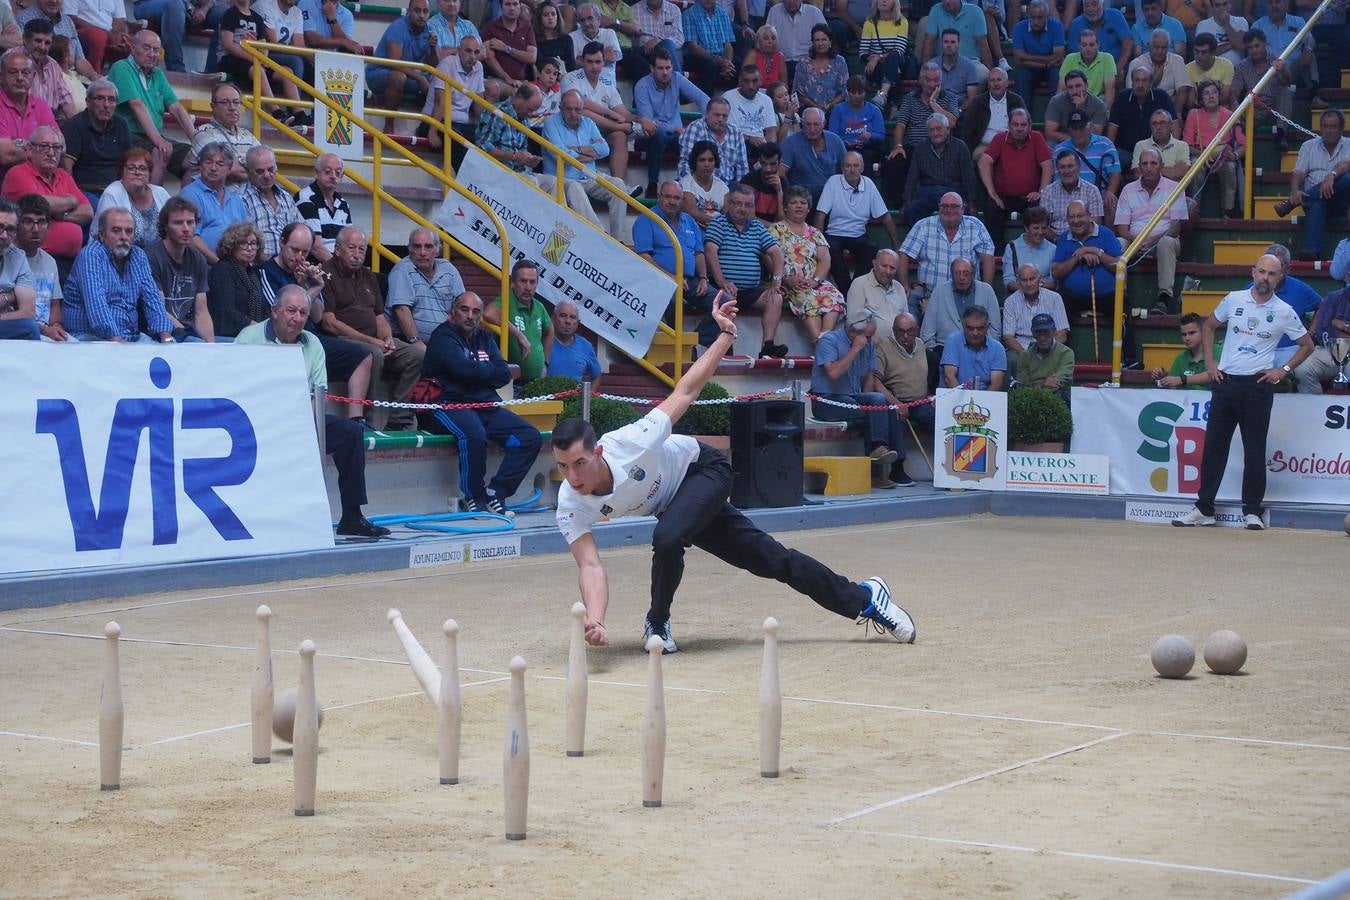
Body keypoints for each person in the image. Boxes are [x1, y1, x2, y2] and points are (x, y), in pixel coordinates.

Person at [554, 294, 917, 654]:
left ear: (597, 452)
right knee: (773, 560)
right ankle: (865, 597)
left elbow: (687, 389)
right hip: (677, 505)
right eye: (563, 467)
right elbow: (590, 565)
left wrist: (726, 335)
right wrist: (597, 618)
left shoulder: (633, 441)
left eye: (579, 463)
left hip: (704, 471)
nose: (572, 477)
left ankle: (658, 622)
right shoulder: (570, 502)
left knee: (668, 537)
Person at [236, 284, 391, 538]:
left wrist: (300, 429)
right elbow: (236, 392)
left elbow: (318, 396)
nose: (297, 319)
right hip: (256, 424)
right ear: (274, 311)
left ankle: (352, 516)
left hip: (300, 421)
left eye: (303, 313)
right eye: (291, 311)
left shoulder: (313, 343)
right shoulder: (248, 338)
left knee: (351, 432)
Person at [1173, 254, 1313, 530]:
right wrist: (1211, 363)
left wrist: (1282, 370)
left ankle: (1252, 511)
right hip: (1225, 382)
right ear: (1253, 272)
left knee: (1254, 450)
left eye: (1272, 274)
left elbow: (1307, 344)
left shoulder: (1284, 310)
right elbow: (1210, 325)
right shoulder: (1234, 299)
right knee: (1214, 447)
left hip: (1257, 385)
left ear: (1279, 277)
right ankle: (1204, 508)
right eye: (1261, 272)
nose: (1265, 278)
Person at [423, 290, 543, 515]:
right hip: (448, 404)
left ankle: (496, 492)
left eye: (476, 311)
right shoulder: (443, 337)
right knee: (474, 435)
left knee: (530, 437)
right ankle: (473, 496)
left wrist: (476, 372)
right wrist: (483, 372)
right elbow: (463, 369)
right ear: (453, 311)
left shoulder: (485, 338)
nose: (470, 316)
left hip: (484, 404)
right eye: (464, 309)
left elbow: (503, 373)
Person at [321, 226, 425, 431]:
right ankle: (369, 419)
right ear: (337, 249)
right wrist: (373, 342)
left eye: (361, 249)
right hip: (342, 340)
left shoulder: (368, 276)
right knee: (374, 353)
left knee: (417, 355)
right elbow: (329, 322)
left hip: (373, 339)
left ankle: (400, 416)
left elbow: (379, 317)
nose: (357, 254)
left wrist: (388, 338)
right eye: (352, 248)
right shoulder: (325, 272)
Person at [810, 307, 914, 488]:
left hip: (853, 397)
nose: (870, 340)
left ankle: (890, 459)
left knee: (886, 409)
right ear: (852, 332)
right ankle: (875, 468)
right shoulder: (829, 340)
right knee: (873, 415)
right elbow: (833, 373)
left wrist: (874, 401)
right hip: (827, 400)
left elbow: (869, 378)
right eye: (867, 336)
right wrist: (855, 349)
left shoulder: (869, 344)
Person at [62, 206, 172, 342]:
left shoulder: (138, 256)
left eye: (129, 231)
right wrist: (119, 344)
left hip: (130, 336)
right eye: (116, 231)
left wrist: (166, 337)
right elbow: (97, 304)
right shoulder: (91, 255)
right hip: (90, 337)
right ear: (101, 235)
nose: (123, 237)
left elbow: (152, 299)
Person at [704, 182, 787, 356]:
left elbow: (777, 254)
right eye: (738, 204)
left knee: (776, 298)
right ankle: (725, 346)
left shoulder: (756, 227)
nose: (743, 209)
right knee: (726, 296)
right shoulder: (718, 223)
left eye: (748, 205)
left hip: (751, 290)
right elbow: (711, 252)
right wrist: (723, 282)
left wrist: (776, 282)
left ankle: (767, 346)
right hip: (724, 287)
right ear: (730, 204)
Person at [541, 89, 634, 240]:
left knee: (618, 184)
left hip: (589, 176)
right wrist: (589, 153)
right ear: (561, 108)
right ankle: (599, 236)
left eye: (577, 109)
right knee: (574, 187)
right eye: (569, 109)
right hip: (562, 179)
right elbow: (562, 155)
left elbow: (604, 149)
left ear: (583, 109)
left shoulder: (588, 123)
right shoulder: (551, 124)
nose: (573, 113)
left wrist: (575, 150)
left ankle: (619, 239)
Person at [108, 30, 195, 182]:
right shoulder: (121, 67)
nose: (152, 54)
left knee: (196, 158)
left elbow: (176, 108)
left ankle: (184, 204)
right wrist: (159, 141)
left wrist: (198, 141)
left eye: (155, 50)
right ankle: (153, 204)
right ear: (133, 48)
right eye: (146, 48)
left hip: (151, 137)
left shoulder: (158, 74)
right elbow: (137, 105)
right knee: (158, 153)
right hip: (127, 135)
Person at [1114, 145, 1187, 315]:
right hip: (1134, 241)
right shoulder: (1128, 189)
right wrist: (1137, 242)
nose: (1148, 168)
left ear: (1161, 166)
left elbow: (1176, 227)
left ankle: (1164, 298)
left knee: (1167, 242)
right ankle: (1120, 296)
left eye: (1153, 163)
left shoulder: (1174, 187)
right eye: (1144, 164)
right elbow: (1122, 228)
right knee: (1118, 243)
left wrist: (1151, 241)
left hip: (1164, 239)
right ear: (1139, 167)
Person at [897, 191, 995, 314]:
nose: (949, 210)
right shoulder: (923, 226)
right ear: (939, 207)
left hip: (966, 293)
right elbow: (904, 254)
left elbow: (988, 259)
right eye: (944, 206)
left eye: (954, 206)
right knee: (908, 300)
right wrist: (904, 286)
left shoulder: (975, 226)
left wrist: (985, 291)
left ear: (963, 208)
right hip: (928, 294)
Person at [771, 184, 845, 343]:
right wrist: (786, 279)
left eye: (803, 203)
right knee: (808, 298)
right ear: (785, 207)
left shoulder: (815, 232)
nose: (799, 205)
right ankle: (821, 344)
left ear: (808, 208)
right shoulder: (776, 229)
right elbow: (769, 258)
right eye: (793, 202)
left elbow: (825, 259)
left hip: (814, 281)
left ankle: (823, 340)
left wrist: (815, 280)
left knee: (835, 297)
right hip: (790, 283)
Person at [815, 150, 897, 292]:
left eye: (855, 165)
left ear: (862, 168)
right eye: (848, 166)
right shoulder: (833, 182)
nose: (852, 170)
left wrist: (896, 245)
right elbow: (820, 215)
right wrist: (818, 243)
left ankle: (855, 289)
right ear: (842, 168)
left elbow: (885, 216)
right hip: (835, 233)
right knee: (831, 249)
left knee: (871, 248)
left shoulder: (869, 184)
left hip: (859, 234)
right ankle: (848, 291)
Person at [633, 178, 712, 323]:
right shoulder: (646, 218)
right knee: (675, 300)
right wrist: (671, 277)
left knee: (724, 303)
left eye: (676, 198)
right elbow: (643, 256)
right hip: (659, 280)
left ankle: (695, 344)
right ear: (659, 196)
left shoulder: (689, 221)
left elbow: (699, 253)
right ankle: (676, 344)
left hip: (690, 280)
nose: (672, 201)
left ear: (682, 200)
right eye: (668, 196)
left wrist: (703, 278)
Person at [634, 48, 710, 196]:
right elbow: (649, 124)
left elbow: (703, 99)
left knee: (695, 138)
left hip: (676, 138)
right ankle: (652, 184)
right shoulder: (642, 86)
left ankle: (687, 184)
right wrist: (675, 128)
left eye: (668, 68)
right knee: (659, 134)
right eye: (661, 68)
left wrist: (706, 122)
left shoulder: (676, 78)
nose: (665, 72)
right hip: (648, 137)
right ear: (652, 68)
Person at [884, 61, 959, 206]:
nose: (932, 84)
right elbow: (900, 125)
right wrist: (898, 145)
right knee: (893, 162)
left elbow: (952, 122)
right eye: (928, 80)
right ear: (920, 80)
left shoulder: (950, 98)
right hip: (914, 147)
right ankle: (899, 206)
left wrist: (933, 103)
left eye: (936, 80)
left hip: (941, 149)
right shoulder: (910, 98)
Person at [977, 107, 1052, 247]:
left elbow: (1047, 165)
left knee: (1039, 210)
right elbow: (983, 162)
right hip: (1003, 197)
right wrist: (992, 192)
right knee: (991, 208)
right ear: (1009, 125)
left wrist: (1041, 191)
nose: (1019, 128)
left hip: (1029, 198)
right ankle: (997, 255)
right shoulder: (1000, 138)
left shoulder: (1036, 138)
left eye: (1023, 125)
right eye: (1015, 124)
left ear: (1029, 126)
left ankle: (1034, 251)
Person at [1285, 110, 1350, 261]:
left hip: (1340, 202)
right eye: (1325, 126)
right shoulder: (1308, 146)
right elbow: (1298, 173)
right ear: (1320, 128)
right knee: (1317, 204)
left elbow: (1346, 164)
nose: (1328, 131)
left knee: (1346, 178)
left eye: (1333, 127)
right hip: (1316, 203)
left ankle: (1292, 204)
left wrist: (1331, 175)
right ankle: (1312, 252)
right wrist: (1295, 191)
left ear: (1341, 129)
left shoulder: (1349, 144)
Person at [147, 196, 213, 342]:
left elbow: (201, 312)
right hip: (159, 333)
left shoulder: (198, 259)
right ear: (165, 226)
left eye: (190, 222)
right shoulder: (152, 257)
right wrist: (189, 337)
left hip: (187, 332)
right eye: (178, 223)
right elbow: (159, 309)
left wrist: (210, 346)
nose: (186, 229)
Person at [871, 312, 933, 461]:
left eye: (910, 331)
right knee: (896, 419)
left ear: (916, 329)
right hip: (895, 402)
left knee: (941, 418)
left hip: (919, 403)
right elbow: (875, 381)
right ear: (893, 330)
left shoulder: (920, 343)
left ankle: (946, 465)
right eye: (900, 331)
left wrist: (929, 395)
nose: (905, 336)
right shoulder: (883, 346)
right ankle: (897, 468)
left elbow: (920, 375)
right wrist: (896, 403)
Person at [366, 0, 437, 132]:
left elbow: (433, 65)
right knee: (399, 77)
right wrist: (421, 79)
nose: (422, 15)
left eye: (425, 11)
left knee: (439, 83)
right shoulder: (397, 27)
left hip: (408, 76)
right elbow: (395, 64)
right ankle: (388, 126)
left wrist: (433, 48)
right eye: (417, 10)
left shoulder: (429, 30)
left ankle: (429, 129)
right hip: (378, 74)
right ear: (409, 11)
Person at [387, 226, 465, 343]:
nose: (422, 253)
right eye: (417, 247)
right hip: (408, 341)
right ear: (409, 249)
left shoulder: (449, 269)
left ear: (438, 249)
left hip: (445, 340)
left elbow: (462, 305)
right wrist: (416, 341)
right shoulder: (402, 270)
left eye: (428, 247)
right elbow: (401, 310)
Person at [485, 258, 553, 389]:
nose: (528, 287)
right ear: (513, 283)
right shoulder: (507, 300)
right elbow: (488, 313)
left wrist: (545, 362)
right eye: (523, 281)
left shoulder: (539, 307)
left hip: (536, 384)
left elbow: (550, 330)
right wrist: (519, 335)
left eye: (532, 282)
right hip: (511, 384)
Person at [61, 79, 131, 203]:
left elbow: (130, 161)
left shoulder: (121, 125)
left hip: (117, 189)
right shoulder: (75, 126)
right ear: (88, 102)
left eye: (111, 100)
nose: (106, 105)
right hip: (86, 190)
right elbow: (66, 166)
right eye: (100, 98)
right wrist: (74, 196)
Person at [179, 142, 247, 265]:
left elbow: (245, 237)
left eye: (220, 164)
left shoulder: (236, 200)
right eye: (208, 162)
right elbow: (191, 238)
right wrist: (220, 265)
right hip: (202, 267)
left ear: (229, 169)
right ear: (200, 166)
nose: (213, 168)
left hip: (234, 267)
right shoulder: (190, 194)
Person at [919, 256, 1001, 356]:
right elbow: (927, 330)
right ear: (951, 275)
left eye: (966, 273)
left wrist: (988, 352)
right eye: (957, 273)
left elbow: (995, 329)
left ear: (973, 274)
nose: (962, 278)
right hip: (945, 350)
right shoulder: (939, 290)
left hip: (980, 351)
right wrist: (932, 352)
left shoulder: (986, 290)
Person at [1184, 79, 1242, 216]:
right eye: (1206, 93)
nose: (1211, 96)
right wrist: (1202, 154)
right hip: (1200, 153)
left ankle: (1227, 211)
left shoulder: (1229, 115)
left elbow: (1242, 143)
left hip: (1223, 154)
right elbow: (1186, 144)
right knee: (1194, 166)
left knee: (1230, 167)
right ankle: (1193, 209)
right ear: (1200, 99)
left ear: (1219, 96)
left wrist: (1234, 155)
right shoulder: (1193, 114)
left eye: (1214, 93)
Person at [1230, 29, 1293, 154]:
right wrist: (1237, 104)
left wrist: (1282, 70)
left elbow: (1287, 81)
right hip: (1253, 110)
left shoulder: (1276, 60)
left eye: (1257, 46)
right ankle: (1240, 152)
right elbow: (1234, 93)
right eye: (1250, 47)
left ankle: (1280, 135)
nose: (1254, 50)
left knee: (1285, 92)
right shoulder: (1242, 66)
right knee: (1233, 111)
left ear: (1264, 44)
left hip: (1273, 110)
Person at [184, 83, 259, 185]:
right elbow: (230, 169)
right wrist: (250, 169)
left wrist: (240, 164)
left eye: (236, 102)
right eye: (225, 102)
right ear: (213, 106)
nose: (232, 107)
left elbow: (262, 167)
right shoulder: (203, 133)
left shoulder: (248, 135)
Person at [207, 221, 268, 339]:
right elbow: (226, 311)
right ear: (232, 245)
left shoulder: (253, 273)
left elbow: (263, 308)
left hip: (252, 334)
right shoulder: (222, 269)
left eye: (253, 243)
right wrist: (256, 328)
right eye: (243, 243)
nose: (249, 248)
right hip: (228, 337)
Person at [16, 192, 64, 340]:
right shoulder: (9, 259)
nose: (36, 229)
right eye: (28, 221)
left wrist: (56, 326)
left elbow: (54, 305)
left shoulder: (49, 261)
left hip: (47, 334)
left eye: (41, 222)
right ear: (17, 225)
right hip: (20, 333)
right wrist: (44, 330)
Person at [240, 145, 302, 260]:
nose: (267, 175)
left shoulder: (286, 197)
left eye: (270, 169)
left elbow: (300, 232)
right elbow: (245, 244)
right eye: (260, 171)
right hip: (260, 266)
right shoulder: (242, 199)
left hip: (291, 264)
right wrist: (275, 266)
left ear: (276, 168)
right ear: (249, 172)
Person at [0, 47, 57, 171]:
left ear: (33, 76)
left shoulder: (41, 105)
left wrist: (18, 143)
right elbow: (5, 155)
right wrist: (43, 149)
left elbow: (59, 146)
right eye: (13, 72)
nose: (20, 78)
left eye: (25, 72)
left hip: (39, 177)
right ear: (1, 76)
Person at [955, 65, 1025, 161]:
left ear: (1007, 83)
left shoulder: (1016, 101)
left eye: (999, 80)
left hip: (1011, 145)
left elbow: (1024, 125)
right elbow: (968, 130)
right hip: (984, 146)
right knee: (985, 157)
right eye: (992, 80)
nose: (995, 84)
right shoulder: (978, 102)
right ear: (988, 84)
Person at [676, 95, 747, 186]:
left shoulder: (736, 133)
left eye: (724, 116)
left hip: (728, 187)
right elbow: (686, 164)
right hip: (699, 184)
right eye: (717, 115)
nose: (721, 119)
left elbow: (742, 168)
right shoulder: (695, 128)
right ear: (706, 113)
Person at [778, 106, 845, 204]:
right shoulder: (791, 143)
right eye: (808, 124)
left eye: (816, 124)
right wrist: (789, 193)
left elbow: (846, 167)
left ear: (824, 124)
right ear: (802, 123)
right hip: (803, 197)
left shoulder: (835, 140)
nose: (812, 129)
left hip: (830, 194)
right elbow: (781, 173)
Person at [1002, 262, 1068, 357]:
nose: (1029, 284)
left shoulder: (1055, 298)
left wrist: (1047, 352)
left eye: (1032, 279)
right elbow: (1008, 337)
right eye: (1024, 280)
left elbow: (1062, 334)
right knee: (1011, 358)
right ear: (1018, 281)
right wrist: (1027, 356)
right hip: (1021, 350)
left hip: (1049, 348)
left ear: (1040, 279)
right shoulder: (1010, 302)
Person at [295, 152, 351, 262]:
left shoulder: (343, 204)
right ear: (316, 173)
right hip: (314, 267)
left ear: (342, 177)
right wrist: (340, 272)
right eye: (328, 172)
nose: (333, 176)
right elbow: (316, 248)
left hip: (337, 266)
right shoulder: (306, 199)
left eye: (338, 172)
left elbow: (349, 242)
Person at [1293, 284, 1350, 394]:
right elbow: (1323, 329)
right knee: (1302, 367)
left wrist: (1342, 325)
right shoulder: (1334, 298)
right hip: (1330, 349)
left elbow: (1333, 324)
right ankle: (1313, 406)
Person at [1128, 28, 1193, 117]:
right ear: (1148, 45)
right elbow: (1133, 94)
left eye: (1164, 48)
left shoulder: (1177, 60)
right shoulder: (1136, 64)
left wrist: (1177, 114)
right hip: (1143, 108)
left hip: (1170, 108)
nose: (1160, 51)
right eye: (1156, 47)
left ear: (1169, 47)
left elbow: (1182, 89)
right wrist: (1153, 81)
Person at [940, 304, 1006, 390]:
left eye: (980, 328)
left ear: (988, 326)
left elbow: (996, 385)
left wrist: (977, 403)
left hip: (985, 398)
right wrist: (965, 402)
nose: (975, 333)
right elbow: (949, 377)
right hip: (954, 394)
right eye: (970, 328)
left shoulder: (998, 348)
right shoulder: (953, 341)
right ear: (963, 325)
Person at [1039, 148, 1103, 237]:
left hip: (1085, 240)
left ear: (1079, 167)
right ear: (1057, 169)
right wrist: (1061, 242)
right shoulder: (1048, 192)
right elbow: (1044, 226)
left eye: (1070, 166)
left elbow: (1095, 225)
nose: (1066, 171)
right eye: (1062, 167)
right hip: (1056, 242)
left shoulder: (1092, 191)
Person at [1149, 311, 1221, 389]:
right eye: (1184, 334)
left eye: (1192, 333)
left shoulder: (1218, 351)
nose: (1187, 338)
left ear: (1203, 331)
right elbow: (1173, 386)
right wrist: (1162, 379)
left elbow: (1217, 374)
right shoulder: (1180, 358)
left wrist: (1183, 379)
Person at [859, 0, 909, 112]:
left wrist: (877, 57)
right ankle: (893, 107)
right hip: (875, 68)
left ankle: (883, 94)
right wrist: (873, 60)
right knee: (895, 71)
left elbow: (899, 50)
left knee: (894, 57)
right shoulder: (870, 23)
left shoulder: (902, 22)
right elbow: (863, 53)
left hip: (895, 62)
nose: (883, 1)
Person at [826, 76, 885, 172]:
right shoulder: (838, 110)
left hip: (867, 149)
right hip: (843, 149)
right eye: (853, 93)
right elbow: (833, 136)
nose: (857, 96)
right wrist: (846, 143)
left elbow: (881, 135)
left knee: (867, 157)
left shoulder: (874, 110)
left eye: (860, 93)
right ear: (848, 93)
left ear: (865, 93)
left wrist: (870, 135)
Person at [1011, 0, 1065, 101]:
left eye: (1040, 17)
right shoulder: (1019, 28)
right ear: (1027, 15)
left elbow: (1058, 57)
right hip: (1032, 68)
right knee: (1022, 75)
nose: (1036, 22)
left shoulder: (1057, 26)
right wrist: (1045, 63)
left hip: (1050, 68)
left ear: (1047, 16)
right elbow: (1019, 60)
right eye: (1032, 17)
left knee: (1057, 75)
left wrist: (1026, 57)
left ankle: (1056, 114)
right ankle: (1022, 114)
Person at [0, 197, 37, 339]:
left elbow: (28, 313)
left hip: (4, 324)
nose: (3, 235)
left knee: (29, 327)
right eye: (0, 226)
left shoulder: (18, 257)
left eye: (10, 230)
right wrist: (9, 296)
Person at [24, 19, 74, 121]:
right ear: (24, 39)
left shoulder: (53, 65)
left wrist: (77, 125)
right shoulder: (12, 59)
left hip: (51, 122)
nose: (42, 47)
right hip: (23, 120)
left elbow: (65, 98)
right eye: (38, 41)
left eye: (47, 43)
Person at [1014, 313, 1073, 397]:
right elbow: (1023, 386)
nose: (1042, 337)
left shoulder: (1066, 353)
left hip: (1060, 397)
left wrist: (1042, 386)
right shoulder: (1025, 356)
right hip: (1032, 398)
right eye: (1038, 333)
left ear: (1054, 332)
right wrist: (1043, 385)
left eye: (1046, 332)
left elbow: (1061, 378)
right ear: (1033, 333)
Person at [682, 0, 738, 87]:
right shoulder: (689, 14)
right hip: (699, 57)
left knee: (738, 64)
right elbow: (693, 47)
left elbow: (728, 44)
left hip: (721, 57)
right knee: (710, 66)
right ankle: (707, 99)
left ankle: (730, 98)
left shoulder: (722, 13)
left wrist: (728, 63)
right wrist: (719, 61)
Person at [546, 299, 603, 385]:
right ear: (553, 318)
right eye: (563, 315)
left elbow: (596, 375)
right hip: (546, 396)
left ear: (578, 323)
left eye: (572, 317)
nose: (567, 321)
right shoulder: (543, 340)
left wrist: (588, 396)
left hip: (574, 397)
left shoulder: (586, 346)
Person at [480, 0, 536, 86]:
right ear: (501, 7)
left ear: (520, 6)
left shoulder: (527, 27)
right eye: (507, 4)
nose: (512, 8)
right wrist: (508, 79)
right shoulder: (489, 28)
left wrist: (506, 48)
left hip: (523, 81)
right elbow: (489, 59)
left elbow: (531, 58)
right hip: (497, 80)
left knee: (535, 93)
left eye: (515, 4)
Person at [846, 247, 907, 325]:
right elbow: (853, 322)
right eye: (884, 266)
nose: (888, 271)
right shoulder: (859, 284)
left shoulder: (899, 287)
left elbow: (905, 319)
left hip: (899, 336)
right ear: (874, 264)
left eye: (892, 268)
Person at [1001, 205, 1056, 291]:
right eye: (1036, 228)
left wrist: (1034, 287)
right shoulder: (1012, 248)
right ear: (1026, 228)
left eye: (1044, 228)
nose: (1040, 232)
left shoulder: (1052, 249)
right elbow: (1008, 283)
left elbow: (1053, 283)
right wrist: (1030, 288)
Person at [1043, 69, 1107, 143]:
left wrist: (1081, 110)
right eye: (1070, 87)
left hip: (1089, 145)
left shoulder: (1099, 105)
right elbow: (1049, 134)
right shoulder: (1056, 101)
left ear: (1086, 86)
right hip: (1062, 142)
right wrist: (1074, 141)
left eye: (1078, 86)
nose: (1074, 91)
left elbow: (1095, 135)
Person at [1067, 0, 1133, 71]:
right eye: (1086, 6)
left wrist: (1118, 68)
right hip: (1087, 69)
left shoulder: (1116, 15)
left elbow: (1128, 42)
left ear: (1103, 5)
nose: (1090, 9)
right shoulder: (1075, 24)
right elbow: (1075, 55)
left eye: (1094, 4)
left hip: (1116, 64)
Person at [1059, 28, 1116, 106]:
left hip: (1098, 105)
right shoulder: (1070, 58)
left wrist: (1106, 112)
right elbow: (1061, 89)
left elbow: (1110, 89)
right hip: (1073, 103)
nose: (1088, 49)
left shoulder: (1107, 58)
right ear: (1079, 46)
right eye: (1084, 45)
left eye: (1092, 45)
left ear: (1098, 45)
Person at [764, 0, 822, 76]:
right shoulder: (775, 11)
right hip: (781, 61)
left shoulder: (814, 12)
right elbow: (765, 37)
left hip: (808, 61)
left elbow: (825, 37)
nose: (791, 1)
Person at [679, 139, 729, 228]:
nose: (707, 164)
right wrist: (719, 223)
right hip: (693, 229)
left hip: (718, 232)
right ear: (695, 161)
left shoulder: (722, 187)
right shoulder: (685, 184)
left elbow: (729, 216)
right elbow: (692, 214)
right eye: (702, 160)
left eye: (711, 160)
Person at [567, 4, 622, 82]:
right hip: (582, 84)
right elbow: (573, 63)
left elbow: (612, 57)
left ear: (599, 19)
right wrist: (603, 56)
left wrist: (583, 60)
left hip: (607, 83)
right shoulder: (572, 37)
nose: (586, 23)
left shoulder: (609, 33)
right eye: (582, 20)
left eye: (590, 18)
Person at [633, 0, 686, 79]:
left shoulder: (674, 10)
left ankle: (677, 84)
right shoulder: (633, 10)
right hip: (645, 52)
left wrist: (659, 41)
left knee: (667, 44)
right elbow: (631, 41)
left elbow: (679, 39)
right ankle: (679, 85)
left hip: (667, 51)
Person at [931, 27, 980, 105]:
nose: (949, 45)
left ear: (959, 44)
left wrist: (958, 112)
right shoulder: (932, 65)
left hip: (961, 108)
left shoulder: (969, 66)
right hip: (936, 107)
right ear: (941, 44)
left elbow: (972, 98)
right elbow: (927, 93)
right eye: (946, 42)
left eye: (953, 42)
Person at [1187, 33, 1234, 107]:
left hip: (1221, 107)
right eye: (1196, 51)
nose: (1199, 56)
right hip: (1198, 109)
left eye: (1204, 52)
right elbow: (1190, 102)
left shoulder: (1226, 65)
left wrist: (1204, 100)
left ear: (1213, 52)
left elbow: (1225, 96)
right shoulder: (1188, 68)